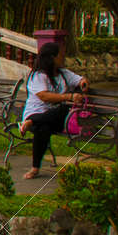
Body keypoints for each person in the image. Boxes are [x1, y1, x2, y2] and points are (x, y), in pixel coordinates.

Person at [18, 42, 90, 179]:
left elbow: (80, 79)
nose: (63, 58)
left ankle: (29, 123)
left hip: (55, 117)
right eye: (60, 56)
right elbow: (44, 96)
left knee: (63, 108)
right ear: (52, 58)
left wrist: (83, 83)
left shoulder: (63, 73)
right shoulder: (38, 75)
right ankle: (35, 168)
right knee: (43, 128)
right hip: (37, 113)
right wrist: (69, 96)